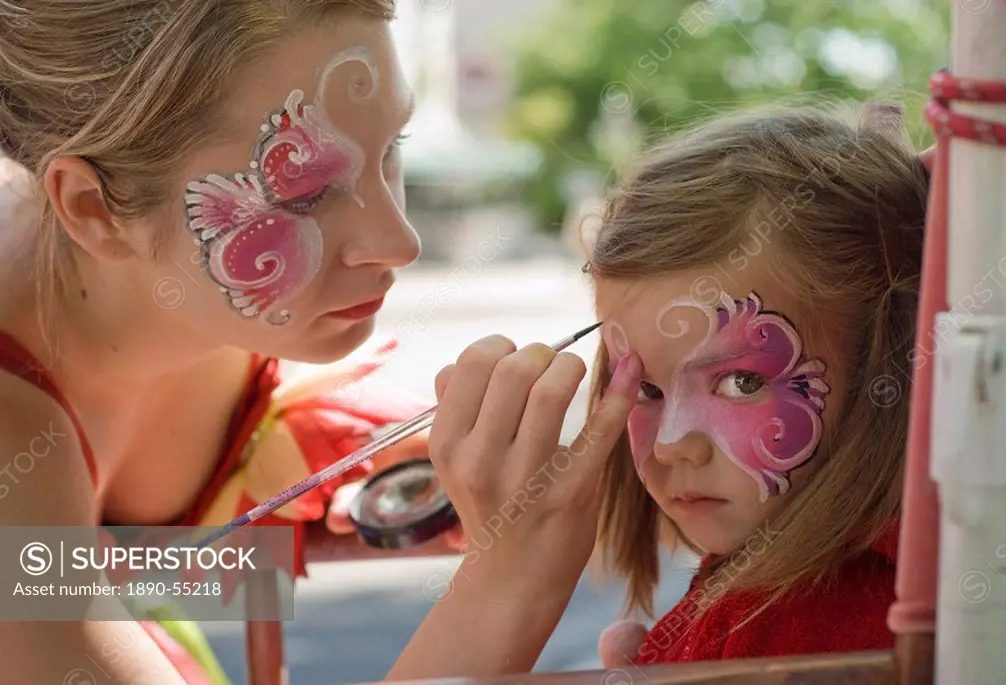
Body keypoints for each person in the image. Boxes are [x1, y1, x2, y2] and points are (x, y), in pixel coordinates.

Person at [0, 1, 640, 682]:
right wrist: (510, 580)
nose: (401, 242)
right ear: (94, 210)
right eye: (305, 192)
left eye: (392, 148)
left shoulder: (220, 307)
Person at [583, 102, 930, 665]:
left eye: (742, 381)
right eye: (646, 390)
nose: (672, 444)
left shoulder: (784, 625)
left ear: (886, 366)